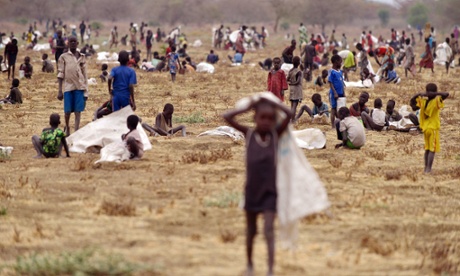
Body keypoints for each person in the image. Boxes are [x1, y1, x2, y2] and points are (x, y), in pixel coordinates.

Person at [222, 95, 291, 276]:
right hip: (252, 191)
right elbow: (227, 117)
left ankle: (269, 270)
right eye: (262, 117)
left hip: (270, 192)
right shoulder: (249, 134)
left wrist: (276, 104)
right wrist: (248, 107)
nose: (266, 121)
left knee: (268, 230)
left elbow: (290, 113)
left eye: (270, 118)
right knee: (251, 231)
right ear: (255, 118)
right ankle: (250, 265)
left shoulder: (275, 135)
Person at [410, 83, 449, 173]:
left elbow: (412, 103)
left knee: (427, 149)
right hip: (433, 128)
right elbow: (446, 94)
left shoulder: (423, 101)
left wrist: (420, 94)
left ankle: (425, 168)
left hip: (425, 128)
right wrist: (435, 94)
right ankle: (428, 169)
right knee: (432, 150)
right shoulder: (436, 101)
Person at [57, 36, 88, 136]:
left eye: (75, 41)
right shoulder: (63, 57)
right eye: (71, 41)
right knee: (67, 112)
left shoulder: (82, 57)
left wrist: (86, 91)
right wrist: (60, 91)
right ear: (68, 43)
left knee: (78, 111)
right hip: (68, 87)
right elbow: (60, 73)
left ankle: (76, 131)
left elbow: (85, 75)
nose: (73, 43)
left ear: (78, 43)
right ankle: (68, 128)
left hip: (79, 87)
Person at [328, 55, 345, 128]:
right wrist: (334, 92)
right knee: (333, 109)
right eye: (340, 62)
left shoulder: (340, 72)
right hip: (334, 93)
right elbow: (330, 83)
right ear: (336, 62)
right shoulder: (332, 72)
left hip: (340, 93)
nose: (341, 64)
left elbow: (342, 82)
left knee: (339, 109)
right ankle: (332, 125)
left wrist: (343, 92)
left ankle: (338, 123)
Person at [287, 56, 303, 121]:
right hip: (297, 89)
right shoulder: (299, 72)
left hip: (292, 89)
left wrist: (290, 83)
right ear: (299, 63)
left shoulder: (290, 70)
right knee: (294, 105)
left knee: (292, 105)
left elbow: (287, 79)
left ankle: (291, 118)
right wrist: (293, 83)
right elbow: (298, 82)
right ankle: (293, 120)